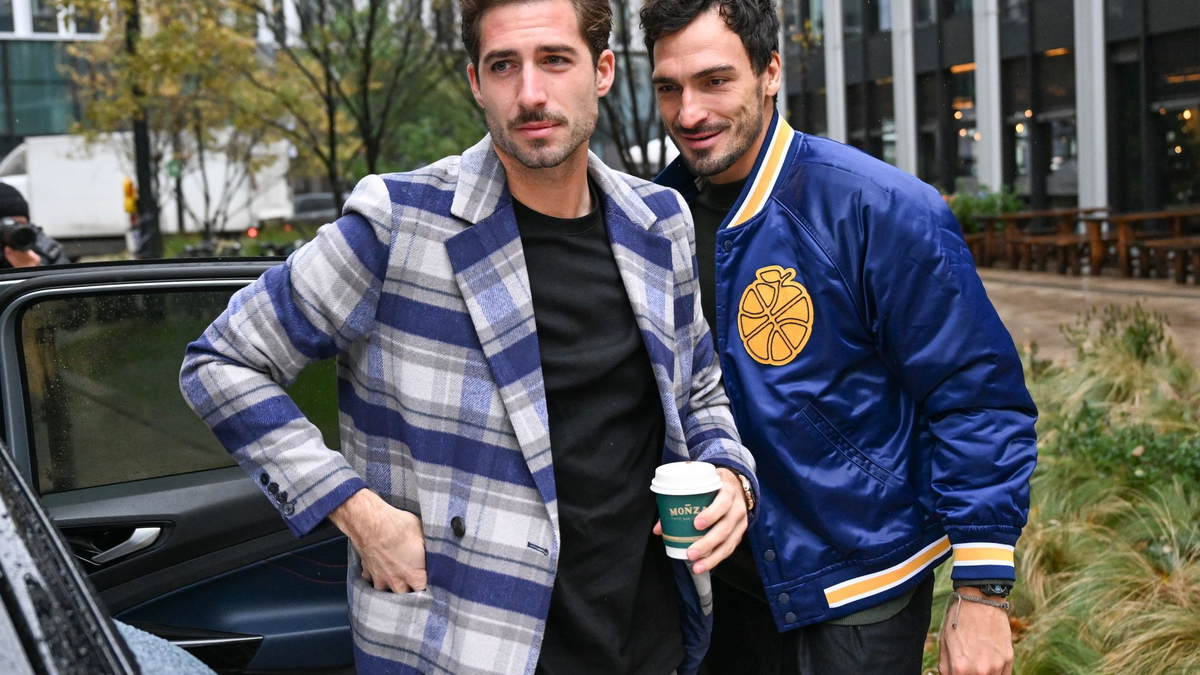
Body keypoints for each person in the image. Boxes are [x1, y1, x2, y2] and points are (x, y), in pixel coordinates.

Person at [179, 0, 758, 673]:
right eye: (503, 66)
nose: (531, 93)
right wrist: (356, 510)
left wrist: (729, 474)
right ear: (476, 81)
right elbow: (221, 361)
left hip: (649, 641)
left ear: (601, 70)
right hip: (468, 645)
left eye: (555, 60)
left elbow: (699, 390)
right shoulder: (399, 224)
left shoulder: (659, 221)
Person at [638, 0, 1039, 674]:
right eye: (669, 88)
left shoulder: (878, 208)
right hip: (720, 594)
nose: (689, 112)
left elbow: (977, 398)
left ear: (770, 72)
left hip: (859, 591)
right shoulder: (653, 222)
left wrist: (982, 592)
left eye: (714, 81)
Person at [0, 182, 69, 268]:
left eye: (21, 224)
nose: (15, 230)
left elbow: (64, 277)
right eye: (8, 224)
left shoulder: (42, 246)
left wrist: (33, 270)